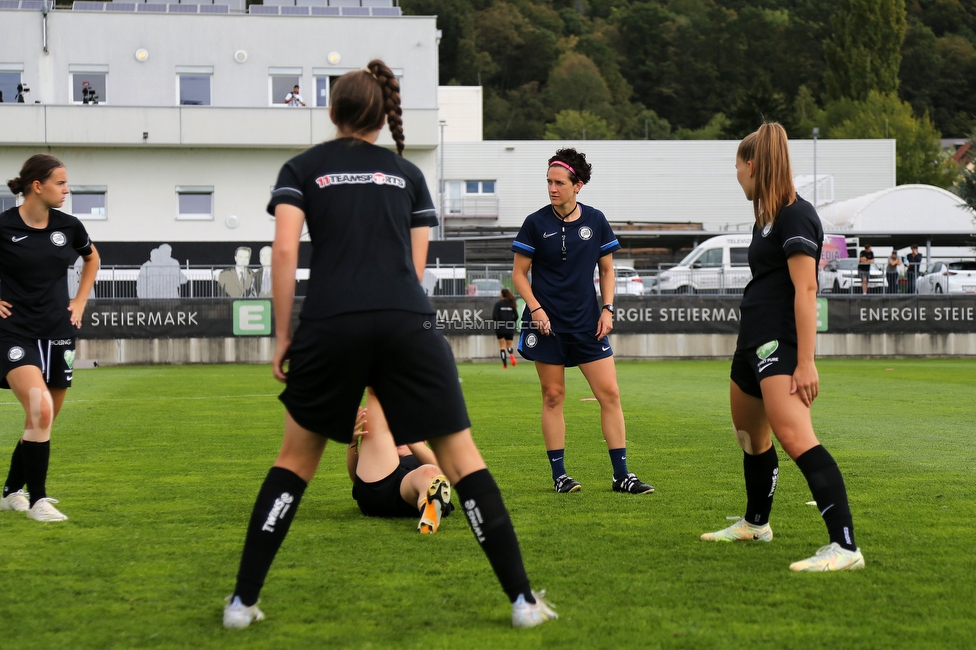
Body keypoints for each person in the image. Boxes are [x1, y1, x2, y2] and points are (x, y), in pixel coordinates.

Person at [223, 59, 556, 631]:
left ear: (332, 112)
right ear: (382, 116)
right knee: (462, 458)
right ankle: (523, 601)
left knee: (295, 462)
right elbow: (415, 265)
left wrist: (283, 334)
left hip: (330, 322)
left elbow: (282, 253)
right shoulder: (408, 174)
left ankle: (241, 604)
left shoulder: (302, 167)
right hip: (409, 321)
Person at [700, 122, 864, 572]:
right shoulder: (765, 217)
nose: (736, 176)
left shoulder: (795, 214)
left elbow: (806, 289)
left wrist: (806, 362)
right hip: (751, 342)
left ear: (752, 165)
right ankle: (756, 524)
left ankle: (845, 546)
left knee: (796, 437)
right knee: (751, 437)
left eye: (737, 167)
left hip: (780, 344)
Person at [511, 148, 654, 495]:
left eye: (559, 182)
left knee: (610, 394)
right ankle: (560, 477)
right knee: (553, 396)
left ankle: (622, 475)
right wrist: (535, 308)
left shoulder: (596, 220)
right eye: (548, 181)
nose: (552, 188)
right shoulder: (535, 223)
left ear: (579, 185)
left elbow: (607, 270)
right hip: (546, 324)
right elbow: (518, 274)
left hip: (588, 322)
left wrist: (608, 309)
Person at [0, 154, 100, 522]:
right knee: (40, 410)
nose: (66, 189)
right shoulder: (4, 226)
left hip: (58, 332)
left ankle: (12, 490)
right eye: (60, 182)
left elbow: (93, 260)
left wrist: (79, 301)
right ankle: (38, 501)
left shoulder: (69, 227)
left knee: (41, 419)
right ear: (36, 186)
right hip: (14, 333)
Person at [347, 390, 453, 533]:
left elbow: (447, 474)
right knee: (376, 393)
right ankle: (430, 503)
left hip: (411, 489)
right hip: (379, 488)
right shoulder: (380, 456)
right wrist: (353, 441)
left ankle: (429, 509)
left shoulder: (421, 457)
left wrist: (407, 434)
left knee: (431, 473)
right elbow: (357, 479)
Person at [492, 288, 518, 368]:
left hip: (500, 327)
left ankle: (505, 365)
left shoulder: (498, 304)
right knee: (509, 345)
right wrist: (511, 322)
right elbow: (516, 316)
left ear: (502, 294)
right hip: (510, 327)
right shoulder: (512, 304)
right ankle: (511, 354)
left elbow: (494, 316)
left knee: (502, 346)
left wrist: (498, 322)